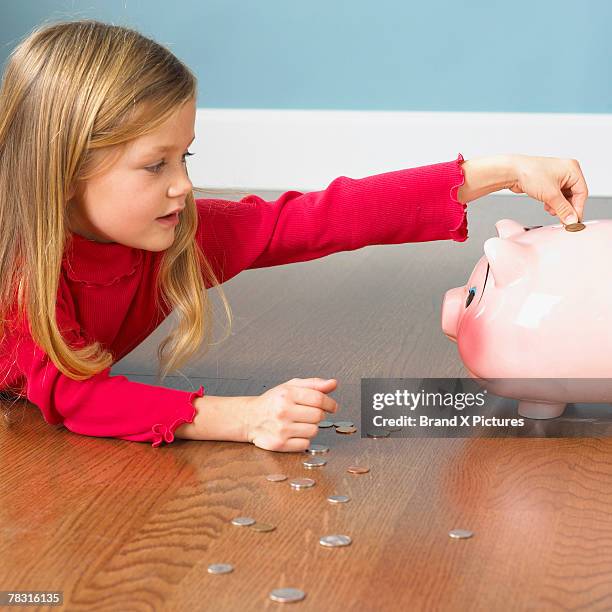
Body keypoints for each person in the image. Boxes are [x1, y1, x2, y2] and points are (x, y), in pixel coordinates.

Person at [0, 20, 588, 452]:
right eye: (156, 165)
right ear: (66, 171)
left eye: (186, 157)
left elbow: (323, 216)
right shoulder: (23, 273)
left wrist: (505, 170)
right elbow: (78, 397)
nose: (184, 186)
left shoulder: (176, 235)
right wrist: (244, 417)